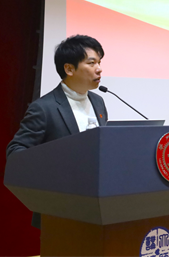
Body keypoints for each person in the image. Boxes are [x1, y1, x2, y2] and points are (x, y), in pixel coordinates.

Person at [6, 35, 108, 227]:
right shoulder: (44, 108)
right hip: (59, 210)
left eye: (99, 62)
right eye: (91, 63)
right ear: (69, 69)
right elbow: (16, 152)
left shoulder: (98, 102)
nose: (99, 68)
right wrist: (53, 168)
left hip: (96, 207)